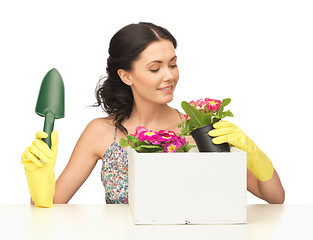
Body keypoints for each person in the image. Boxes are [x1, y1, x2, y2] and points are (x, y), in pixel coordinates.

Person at [21, 22, 285, 207]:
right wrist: (40, 178)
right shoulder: (101, 132)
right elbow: (51, 208)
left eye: (173, 64)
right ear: (126, 76)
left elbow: (273, 197)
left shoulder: (199, 128)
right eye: (155, 68)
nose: (169, 76)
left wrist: (254, 154)